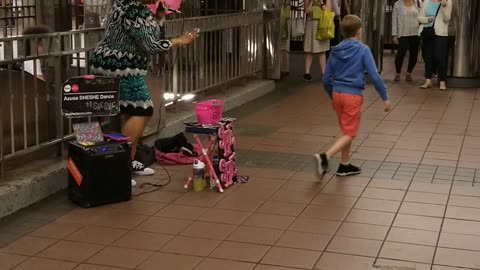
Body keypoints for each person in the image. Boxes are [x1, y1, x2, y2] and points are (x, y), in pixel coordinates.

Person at [90, 0, 199, 185]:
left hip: (123, 66)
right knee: (142, 110)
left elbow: (147, 35)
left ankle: (127, 163)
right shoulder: (133, 10)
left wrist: (159, 17)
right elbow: (150, 45)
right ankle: (121, 168)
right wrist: (179, 41)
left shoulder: (132, 6)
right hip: (118, 67)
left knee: (135, 111)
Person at [315, 15, 391, 177]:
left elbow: (326, 78)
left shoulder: (335, 50)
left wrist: (332, 97)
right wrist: (384, 97)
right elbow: (374, 76)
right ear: (359, 31)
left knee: (345, 130)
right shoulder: (363, 50)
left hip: (337, 93)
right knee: (350, 133)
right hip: (352, 96)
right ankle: (324, 157)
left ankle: (344, 164)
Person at [417, 0, 452, 90]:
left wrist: (444, 7)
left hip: (440, 34)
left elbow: (447, 18)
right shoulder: (426, 2)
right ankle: (428, 80)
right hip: (427, 32)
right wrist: (427, 19)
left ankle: (442, 81)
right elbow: (419, 18)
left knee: (439, 58)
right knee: (428, 57)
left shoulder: (447, 2)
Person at [392, 0, 420, 82]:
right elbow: (394, 20)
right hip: (403, 33)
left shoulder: (418, 3)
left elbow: (422, 16)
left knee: (414, 55)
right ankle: (398, 73)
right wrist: (394, 34)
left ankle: (409, 73)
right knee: (400, 54)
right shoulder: (397, 4)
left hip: (416, 33)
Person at [303, 0, 332, 81]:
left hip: (323, 24)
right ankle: (307, 72)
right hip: (311, 24)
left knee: (322, 50)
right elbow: (307, 11)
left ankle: (324, 72)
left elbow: (328, 10)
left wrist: (322, 2)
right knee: (309, 49)